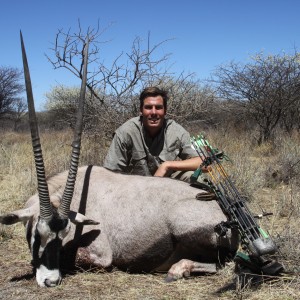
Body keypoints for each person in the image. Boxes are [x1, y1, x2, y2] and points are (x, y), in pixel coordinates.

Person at [103, 86, 205, 182]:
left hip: (167, 186)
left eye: (158, 107)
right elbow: (109, 174)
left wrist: (167, 165)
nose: (153, 112)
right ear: (141, 110)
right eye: (148, 107)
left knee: (195, 176)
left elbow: (205, 162)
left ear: (165, 111)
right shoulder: (125, 132)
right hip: (134, 189)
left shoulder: (177, 131)